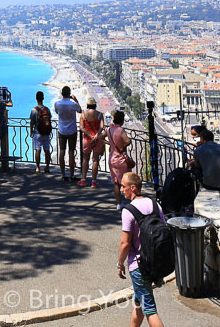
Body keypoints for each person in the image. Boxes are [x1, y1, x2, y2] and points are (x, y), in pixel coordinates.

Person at [117, 172, 166, 327]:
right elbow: (164, 229)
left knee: (149, 309)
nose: (120, 190)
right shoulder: (154, 204)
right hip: (154, 262)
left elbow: (125, 243)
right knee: (139, 303)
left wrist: (119, 264)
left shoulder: (128, 211)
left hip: (138, 265)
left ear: (133, 187)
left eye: (123, 186)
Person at [54, 86, 82, 181]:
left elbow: (57, 113)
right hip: (72, 130)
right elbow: (80, 110)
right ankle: (72, 174)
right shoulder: (73, 104)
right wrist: (76, 100)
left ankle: (62, 174)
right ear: (69, 94)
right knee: (71, 152)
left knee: (62, 151)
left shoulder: (57, 103)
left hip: (62, 130)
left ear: (62, 93)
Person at [107, 110, 132, 210]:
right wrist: (122, 147)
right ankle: (131, 201)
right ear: (122, 121)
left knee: (116, 182)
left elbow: (100, 137)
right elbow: (128, 141)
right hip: (121, 159)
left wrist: (110, 144)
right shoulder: (120, 130)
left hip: (112, 158)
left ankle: (119, 203)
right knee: (127, 180)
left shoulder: (109, 130)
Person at [78, 96, 105, 187]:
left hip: (87, 139)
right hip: (97, 139)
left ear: (87, 104)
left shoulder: (83, 114)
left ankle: (83, 179)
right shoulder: (99, 114)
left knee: (85, 159)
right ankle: (93, 181)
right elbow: (101, 127)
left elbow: (81, 128)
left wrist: (90, 136)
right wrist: (96, 135)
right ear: (95, 105)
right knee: (95, 160)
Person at [29, 91, 52, 174]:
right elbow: (49, 119)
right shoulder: (47, 109)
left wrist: (31, 132)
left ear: (36, 98)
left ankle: (38, 167)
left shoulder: (34, 110)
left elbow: (32, 122)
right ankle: (47, 167)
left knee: (38, 150)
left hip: (37, 132)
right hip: (46, 133)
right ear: (43, 98)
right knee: (47, 151)